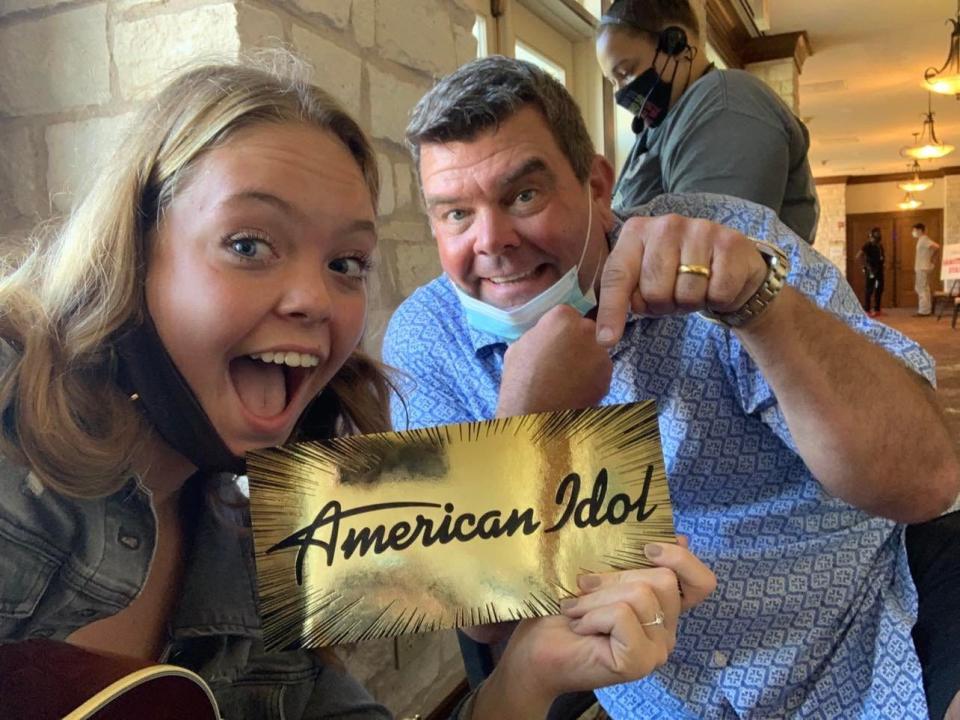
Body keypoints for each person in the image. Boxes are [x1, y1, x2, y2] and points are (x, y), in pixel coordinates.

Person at [0, 59, 718, 719]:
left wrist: (529, 671)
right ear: (135, 243)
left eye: (347, 262)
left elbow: (482, 611)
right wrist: (532, 419)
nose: (316, 298)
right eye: (249, 244)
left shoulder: (277, 542)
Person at [383, 56, 960, 719]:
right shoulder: (426, 340)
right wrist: (533, 423)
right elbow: (479, 621)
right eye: (456, 213)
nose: (492, 243)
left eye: (523, 196)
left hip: (860, 638)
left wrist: (760, 306)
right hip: (655, 689)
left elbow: (925, 481)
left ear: (598, 184)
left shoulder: (729, 239)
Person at [595, 0, 819, 244]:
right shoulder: (665, 125)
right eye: (612, 82)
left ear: (674, 43)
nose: (620, 93)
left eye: (625, 73)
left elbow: (706, 252)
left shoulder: (726, 104)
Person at [856, 226, 885, 316]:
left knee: (879, 289)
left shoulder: (880, 245)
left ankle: (877, 309)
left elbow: (881, 257)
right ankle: (867, 310)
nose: (878, 235)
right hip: (871, 270)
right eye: (876, 233)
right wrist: (864, 267)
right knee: (869, 290)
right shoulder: (867, 245)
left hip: (879, 270)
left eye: (879, 233)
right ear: (871, 234)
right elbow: (858, 256)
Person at [914, 222, 941, 316]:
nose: (914, 232)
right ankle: (926, 309)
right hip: (922, 266)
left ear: (920, 230)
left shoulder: (924, 239)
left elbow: (937, 247)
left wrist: (933, 260)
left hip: (922, 267)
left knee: (921, 288)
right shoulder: (921, 240)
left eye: (915, 230)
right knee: (924, 288)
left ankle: (923, 311)